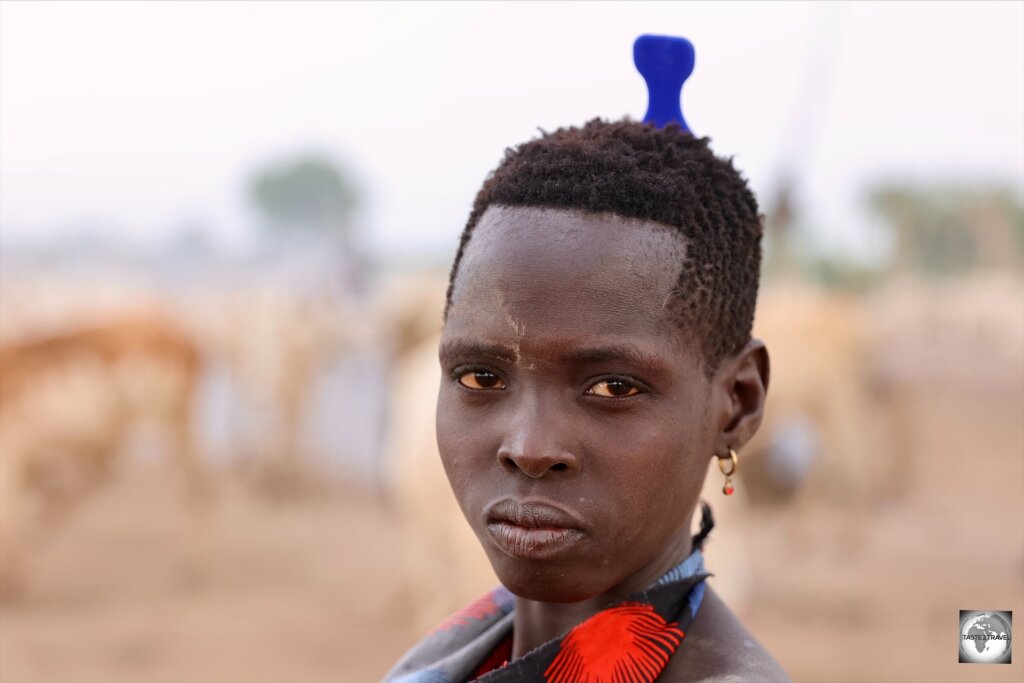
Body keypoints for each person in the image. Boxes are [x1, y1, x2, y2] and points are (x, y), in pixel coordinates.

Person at [384, 119, 791, 683]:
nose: (527, 449)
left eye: (613, 388)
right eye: (480, 377)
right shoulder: (443, 661)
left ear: (738, 403)